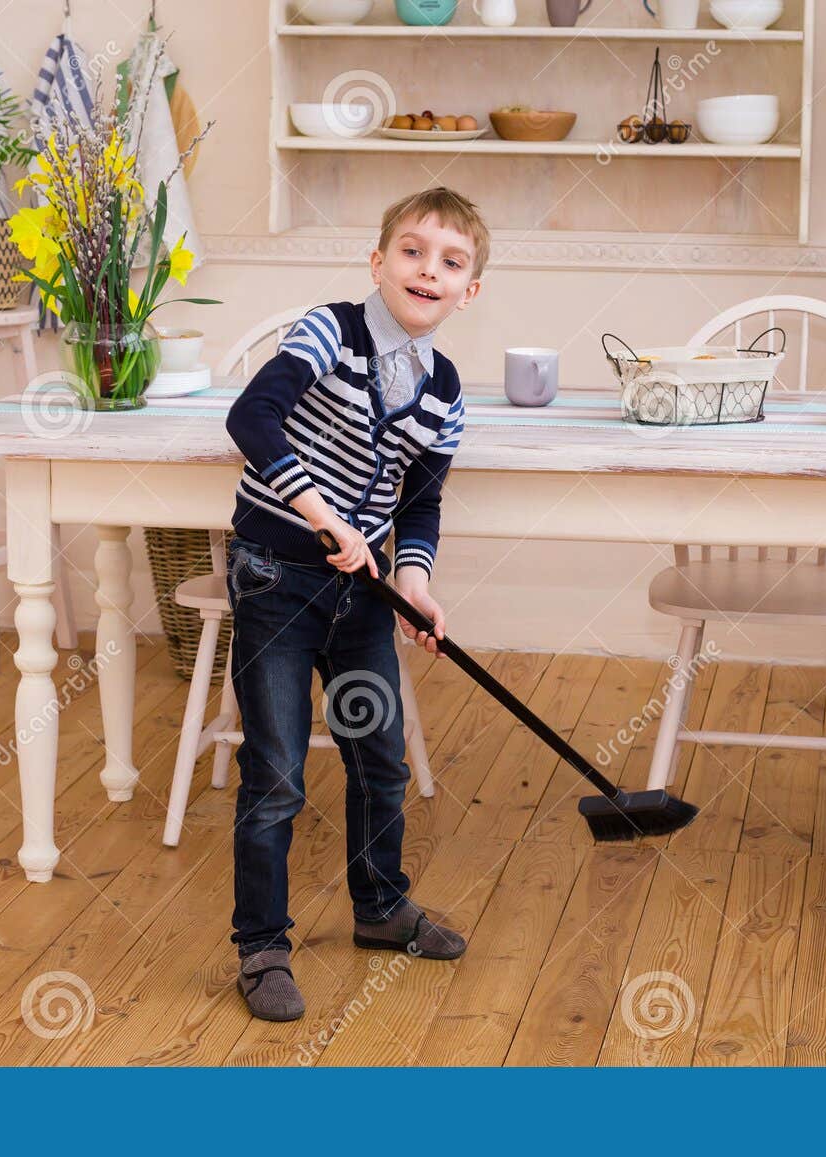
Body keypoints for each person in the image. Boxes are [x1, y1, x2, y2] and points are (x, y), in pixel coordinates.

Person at [220, 187, 489, 1021]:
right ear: (378, 263)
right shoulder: (327, 330)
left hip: (363, 596)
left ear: (468, 291)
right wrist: (324, 514)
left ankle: (380, 907)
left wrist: (414, 582)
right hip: (277, 575)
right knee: (276, 775)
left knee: (380, 758)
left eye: (450, 262)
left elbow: (421, 503)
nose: (427, 270)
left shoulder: (445, 391)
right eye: (412, 251)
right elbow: (251, 414)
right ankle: (262, 944)